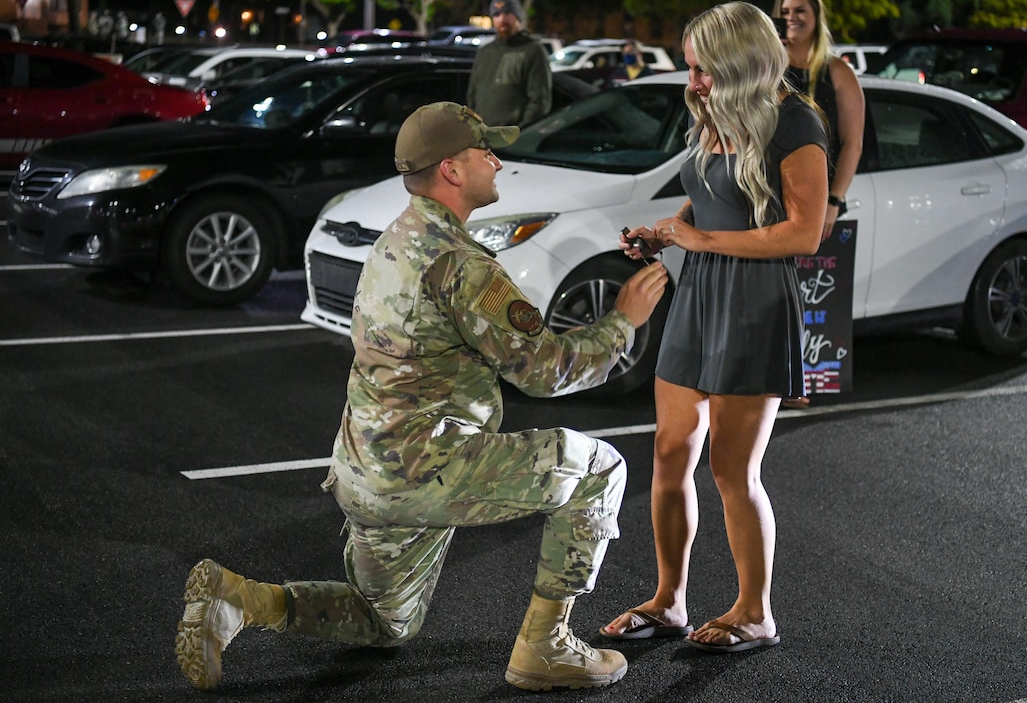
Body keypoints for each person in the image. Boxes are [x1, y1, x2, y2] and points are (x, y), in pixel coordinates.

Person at [174, 102, 668, 693]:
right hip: (425, 467)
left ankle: (241, 600)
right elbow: (544, 372)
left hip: (364, 467)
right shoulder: (462, 265)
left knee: (386, 622)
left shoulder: (396, 240)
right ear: (451, 169)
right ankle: (547, 647)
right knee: (599, 469)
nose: (497, 162)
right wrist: (623, 321)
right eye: (485, 151)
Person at [599, 3, 827, 652]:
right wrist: (667, 231)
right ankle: (669, 600)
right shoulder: (715, 113)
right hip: (699, 294)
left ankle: (755, 612)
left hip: (754, 302)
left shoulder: (795, 121)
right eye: (692, 68)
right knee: (670, 452)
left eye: (704, 69)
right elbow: (706, 195)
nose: (693, 82)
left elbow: (804, 233)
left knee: (732, 471)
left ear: (742, 63)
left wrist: (699, 239)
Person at [774, 0, 864, 409]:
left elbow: (853, 143)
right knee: (773, 290)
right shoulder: (769, 67)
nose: (791, 19)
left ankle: (801, 379)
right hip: (773, 193)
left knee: (810, 293)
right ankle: (777, 377)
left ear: (816, 17)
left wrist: (835, 200)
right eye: (784, 11)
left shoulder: (836, 72)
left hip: (817, 197)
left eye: (800, 11)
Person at [466, 0, 552, 126]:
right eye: (497, 15)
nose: (502, 19)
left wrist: (521, 132)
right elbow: (472, 95)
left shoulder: (533, 51)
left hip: (515, 136)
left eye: (507, 13)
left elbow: (539, 101)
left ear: (518, 17)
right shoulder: (485, 52)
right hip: (484, 135)